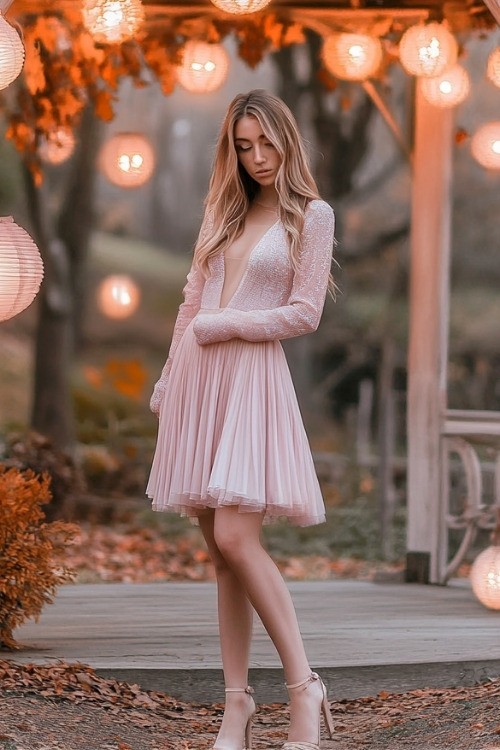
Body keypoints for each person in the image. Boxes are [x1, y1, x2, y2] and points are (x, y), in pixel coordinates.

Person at [147, 89, 336, 750]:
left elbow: (304, 312)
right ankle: (237, 707)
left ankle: (304, 688)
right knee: (221, 556)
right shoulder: (222, 212)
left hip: (251, 380)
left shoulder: (312, 216)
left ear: (287, 139)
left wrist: (225, 325)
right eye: (243, 145)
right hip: (199, 382)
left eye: (266, 142)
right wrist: (170, 377)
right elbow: (189, 300)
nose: (257, 157)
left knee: (236, 538)